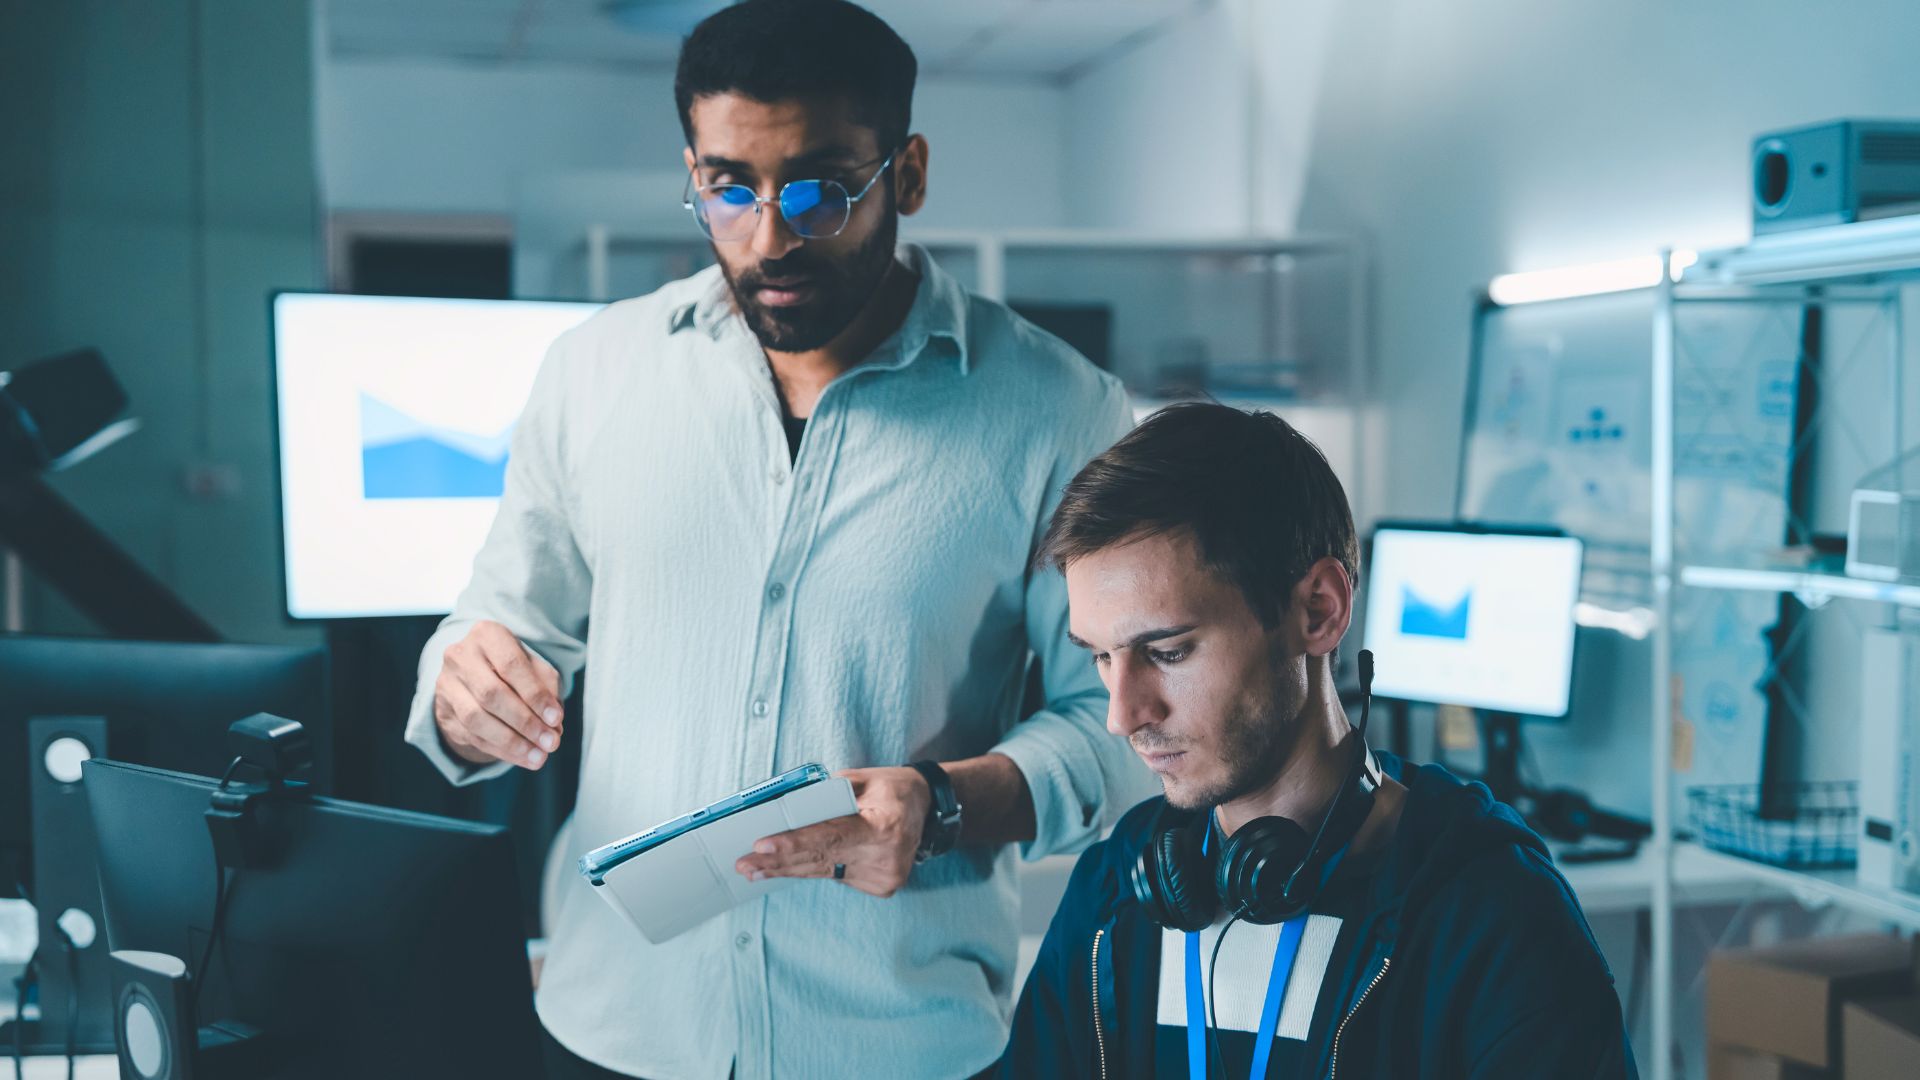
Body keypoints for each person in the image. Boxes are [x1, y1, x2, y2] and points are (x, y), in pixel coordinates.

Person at [401, 3, 1147, 1078]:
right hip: (615, 1027)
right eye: (727, 186)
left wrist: (939, 807)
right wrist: (465, 692)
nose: (769, 236)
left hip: (895, 1043)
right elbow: (498, 623)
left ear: (910, 173)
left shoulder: (1058, 410)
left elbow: (1123, 728)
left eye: (820, 188)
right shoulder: (594, 372)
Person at [1001, 403, 1637, 1078]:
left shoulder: (1489, 914)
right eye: (1101, 657)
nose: (1122, 715)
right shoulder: (1112, 898)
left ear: (1318, 611)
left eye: (1169, 651)